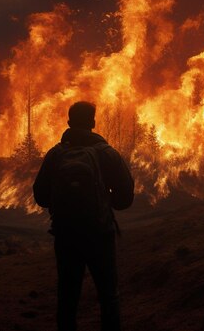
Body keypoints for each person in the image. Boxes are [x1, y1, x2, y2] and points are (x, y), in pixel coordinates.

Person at [33, 101, 134, 331]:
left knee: (67, 297)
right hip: (100, 233)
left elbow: (40, 195)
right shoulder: (107, 154)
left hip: (66, 235)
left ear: (69, 123)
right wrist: (105, 200)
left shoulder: (56, 154)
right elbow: (125, 198)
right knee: (108, 296)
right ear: (93, 123)